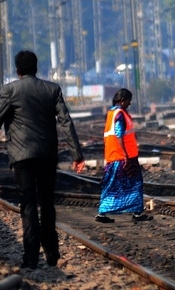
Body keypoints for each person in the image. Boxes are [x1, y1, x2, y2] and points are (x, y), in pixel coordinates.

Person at [0, 50, 85, 270]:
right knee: (47, 202)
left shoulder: (9, 91)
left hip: (22, 158)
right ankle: (51, 251)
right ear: (36, 68)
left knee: (27, 204)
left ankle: (30, 258)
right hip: (47, 155)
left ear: (17, 70)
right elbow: (66, 122)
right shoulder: (52, 89)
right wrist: (77, 154)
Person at [96, 88, 153, 223]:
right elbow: (119, 134)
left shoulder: (112, 113)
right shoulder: (120, 114)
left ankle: (104, 213)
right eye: (128, 101)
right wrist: (125, 155)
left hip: (114, 157)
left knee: (112, 185)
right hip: (122, 158)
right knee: (134, 184)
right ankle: (136, 213)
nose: (129, 103)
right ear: (122, 101)